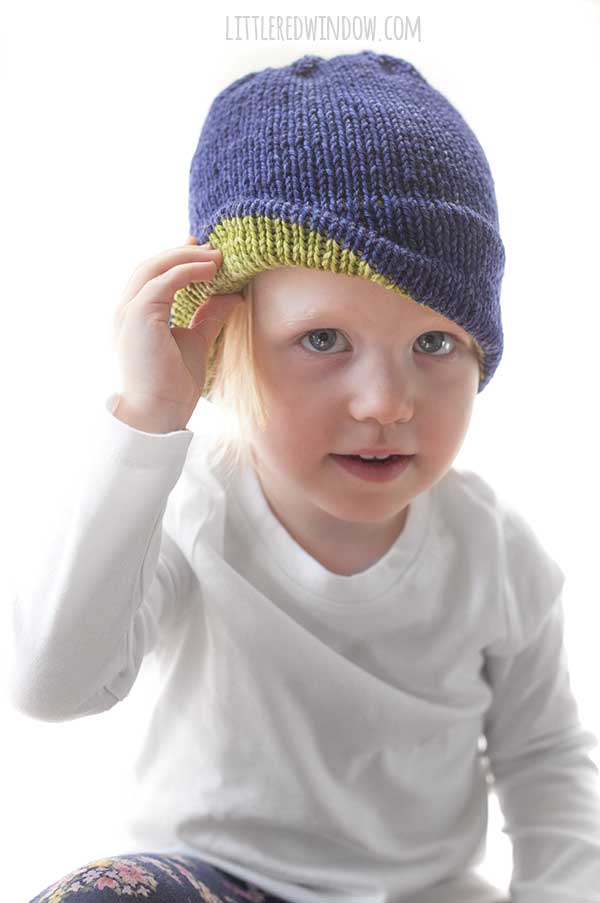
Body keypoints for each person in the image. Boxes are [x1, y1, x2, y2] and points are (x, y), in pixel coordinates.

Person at [9, 50, 600, 903]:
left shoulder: (493, 552)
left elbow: (546, 759)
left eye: (434, 343)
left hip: (418, 891)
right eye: (323, 340)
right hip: (213, 879)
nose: (386, 402)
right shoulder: (187, 510)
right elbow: (49, 683)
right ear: (228, 341)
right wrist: (146, 422)